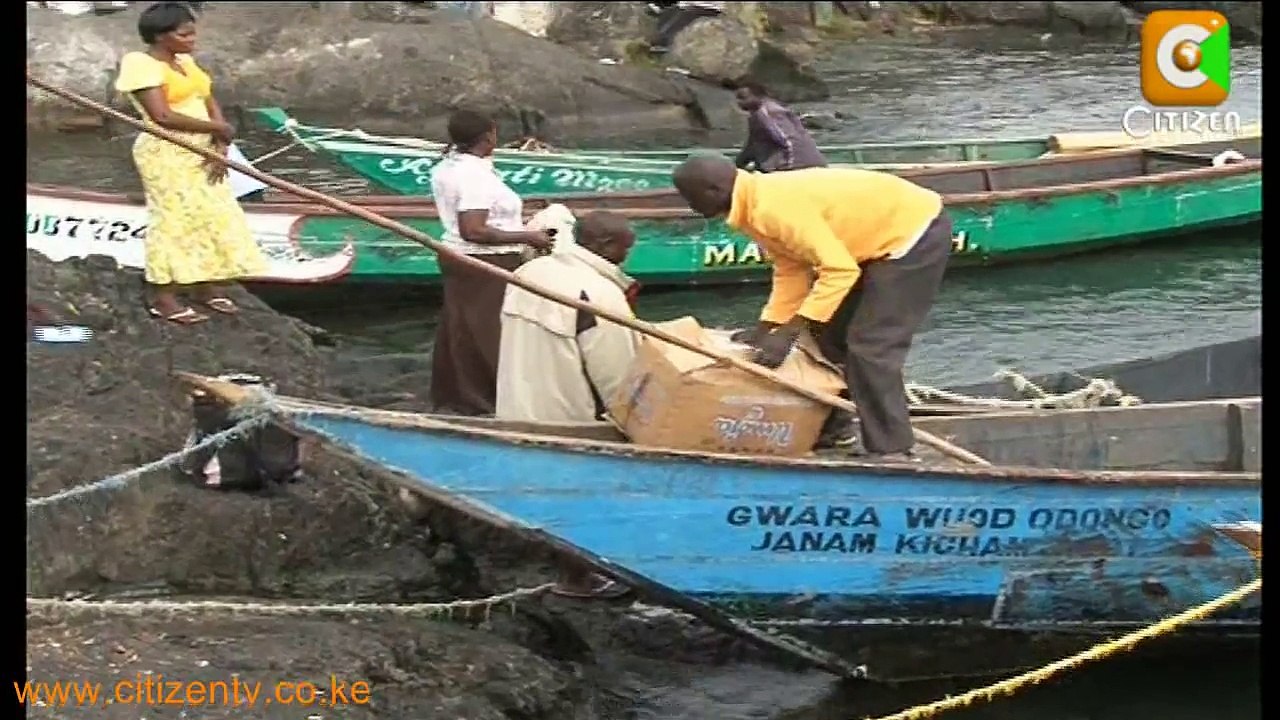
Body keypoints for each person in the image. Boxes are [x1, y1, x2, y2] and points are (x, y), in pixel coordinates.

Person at [671, 156, 952, 460]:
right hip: (864, 241)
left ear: (714, 190)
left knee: (870, 346)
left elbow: (840, 271)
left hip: (913, 234)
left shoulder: (771, 207)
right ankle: (835, 429)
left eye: (690, 197)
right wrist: (768, 327)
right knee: (827, 338)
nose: (689, 206)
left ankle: (892, 449)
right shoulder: (749, 206)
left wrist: (790, 331)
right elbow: (791, 267)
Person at [114, 1, 266, 325]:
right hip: (168, 152)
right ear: (159, 36)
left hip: (206, 150)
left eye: (193, 32)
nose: (192, 39)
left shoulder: (185, 61)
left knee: (212, 214)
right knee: (174, 219)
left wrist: (222, 144)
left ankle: (205, 284)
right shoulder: (140, 64)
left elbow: (209, 101)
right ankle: (163, 296)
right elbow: (162, 116)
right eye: (184, 34)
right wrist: (218, 129)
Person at [429, 109, 555, 416]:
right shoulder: (475, 176)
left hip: (457, 257)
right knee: (492, 334)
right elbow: (474, 230)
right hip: (483, 261)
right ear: (488, 137)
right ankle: (492, 401)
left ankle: (458, 397)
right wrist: (529, 237)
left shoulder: (449, 166)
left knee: (461, 331)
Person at [495, 211, 640, 424]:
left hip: (513, 412)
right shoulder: (600, 293)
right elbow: (615, 377)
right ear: (606, 245)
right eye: (625, 248)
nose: (627, 256)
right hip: (566, 423)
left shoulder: (527, 272)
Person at [733, 81, 827, 173]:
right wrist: (737, 166)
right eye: (737, 98)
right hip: (781, 166)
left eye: (743, 98)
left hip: (799, 167)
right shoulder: (756, 116)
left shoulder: (770, 112)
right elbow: (752, 146)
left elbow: (789, 140)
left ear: (759, 96)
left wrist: (787, 168)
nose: (738, 102)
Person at [646, 1, 723, 53]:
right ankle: (661, 39)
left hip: (704, 7)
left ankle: (665, 42)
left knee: (674, 25)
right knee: (668, 16)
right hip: (687, 6)